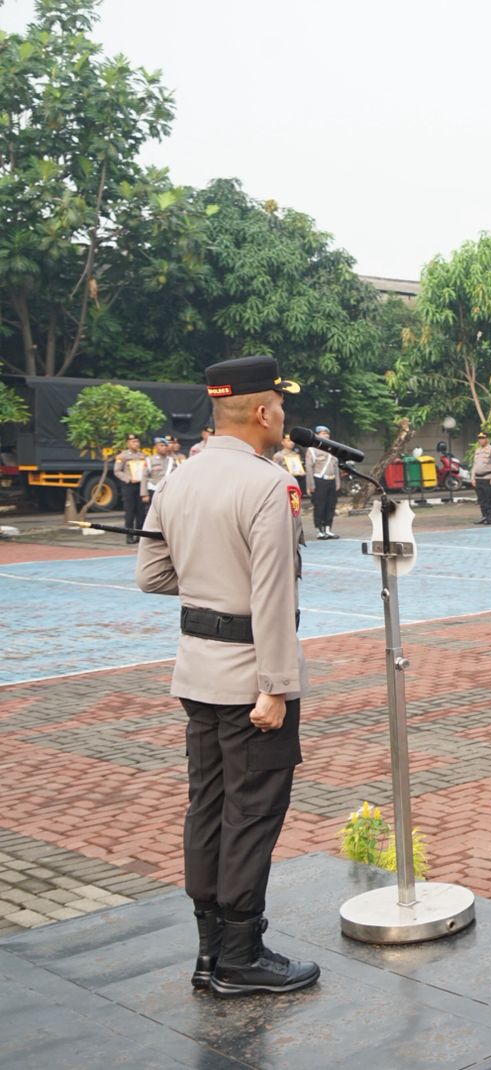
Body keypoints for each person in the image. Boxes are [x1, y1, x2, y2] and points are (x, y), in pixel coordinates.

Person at [135, 354, 319, 998]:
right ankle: (241, 955)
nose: (285, 416)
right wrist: (275, 685)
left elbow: (151, 575)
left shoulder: (179, 478)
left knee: (207, 808)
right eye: (282, 405)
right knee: (253, 813)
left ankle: (209, 951)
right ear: (264, 411)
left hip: (196, 671)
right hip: (251, 681)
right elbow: (272, 593)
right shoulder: (267, 482)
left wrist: (210, 583)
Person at [304, 426, 341, 540]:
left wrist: (337, 482)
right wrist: (311, 485)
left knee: (331, 505)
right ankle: (319, 530)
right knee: (320, 506)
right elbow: (309, 468)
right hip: (319, 480)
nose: (325, 435)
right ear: (317, 435)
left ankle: (328, 528)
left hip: (331, 480)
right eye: (322, 433)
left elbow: (336, 467)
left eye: (327, 433)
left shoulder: (332, 449)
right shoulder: (312, 449)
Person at [114, 434, 150, 544]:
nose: (136, 444)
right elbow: (117, 471)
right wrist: (128, 479)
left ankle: (139, 535)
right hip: (129, 486)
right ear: (128, 443)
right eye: (133, 442)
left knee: (141, 512)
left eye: (137, 441)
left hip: (141, 485)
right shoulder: (123, 456)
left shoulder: (143, 455)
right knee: (129, 511)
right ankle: (129, 536)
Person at [470, 431, 491, 525]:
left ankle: (490, 517)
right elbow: (475, 465)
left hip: (488, 477)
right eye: (480, 438)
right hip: (478, 478)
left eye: (483, 438)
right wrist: (473, 477)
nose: (481, 440)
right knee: (481, 499)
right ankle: (484, 516)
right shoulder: (477, 450)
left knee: (489, 498)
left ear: (487, 439)